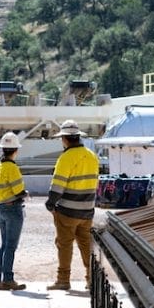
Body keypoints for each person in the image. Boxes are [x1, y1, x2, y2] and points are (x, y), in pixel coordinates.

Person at [45, 119, 100, 291]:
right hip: (87, 211)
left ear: (65, 139)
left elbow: (58, 184)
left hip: (68, 211)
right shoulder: (92, 156)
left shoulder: (66, 157)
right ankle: (92, 279)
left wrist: (51, 203)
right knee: (86, 244)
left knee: (64, 244)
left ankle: (63, 280)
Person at [0, 132, 28, 291]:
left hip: (0, 208)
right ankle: (8, 280)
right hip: (12, 209)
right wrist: (25, 194)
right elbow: (19, 191)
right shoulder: (12, 168)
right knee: (10, 246)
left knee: (4, 245)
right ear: (15, 150)